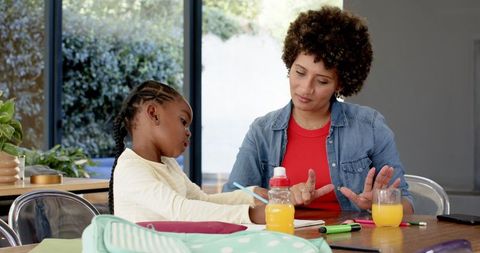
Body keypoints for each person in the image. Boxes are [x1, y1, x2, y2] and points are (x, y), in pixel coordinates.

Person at [223, 6, 414, 213]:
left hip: (351, 242)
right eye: (300, 72)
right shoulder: (262, 131)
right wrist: (279, 198)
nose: (306, 88)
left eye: (322, 81)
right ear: (290, 64)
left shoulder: (370, 126)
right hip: (284, 240)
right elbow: (231, 200)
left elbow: (407, 204)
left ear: (340, 84)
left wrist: (379, 205)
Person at [108, 80, 266, 224]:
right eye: (183, 122)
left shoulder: (169, 164)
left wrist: (251, 196)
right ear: (153, 114)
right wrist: (251, 215)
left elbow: (202, 201)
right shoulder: (130, 169)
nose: (188, 132)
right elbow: (181, 211)